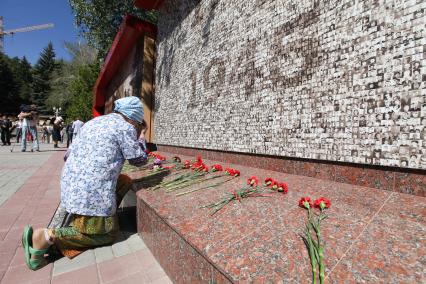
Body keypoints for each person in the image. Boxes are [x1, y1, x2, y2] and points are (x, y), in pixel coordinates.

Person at [22, 96, 148, 270]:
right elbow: (139, 160)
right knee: (107, 235)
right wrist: (141, 137)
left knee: (124, 180)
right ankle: (47, 236)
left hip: (72, 183)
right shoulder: (125, 127)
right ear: (133, 118)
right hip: (92, 190)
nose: (136, 125)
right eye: (137, 122)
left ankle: (101, 216)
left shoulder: (92, 123)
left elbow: (67, 155)